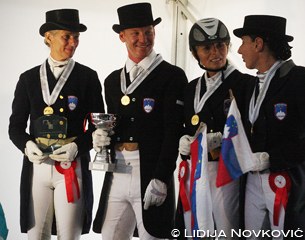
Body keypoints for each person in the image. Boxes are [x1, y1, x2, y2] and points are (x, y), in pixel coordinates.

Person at [92, 2, 188, 239]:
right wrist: (101, 137)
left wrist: (162, 176)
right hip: (117, 171)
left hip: (150, 171)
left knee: (152, 235)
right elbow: (114, 124)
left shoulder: (172, 75)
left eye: (149, 32)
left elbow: (173, 131)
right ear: (122, 36)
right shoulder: (112, 81)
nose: (143, 39)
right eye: (136, 33)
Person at [8, 9, 104, 239]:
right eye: (67, 36)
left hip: (71, 166)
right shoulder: (28, 78)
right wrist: (26, 145)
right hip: (38, 166)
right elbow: (15, 126)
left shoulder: (88, 77)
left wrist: (78, 147)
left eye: (76, 37)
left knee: (69, 235)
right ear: (48, 37)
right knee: (36, 235)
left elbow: (97, 126)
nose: (73, 43)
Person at [176, 18, 256, 239]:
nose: (215, 52)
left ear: (228, 46)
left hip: (226, 169)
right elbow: (184, 124)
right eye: (207, 48)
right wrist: (182, 139)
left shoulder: (244, 84)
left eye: (221, 45)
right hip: (196, 169)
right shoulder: (191, 88)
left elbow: (252, 129)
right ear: (195, 53)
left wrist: (225, 138)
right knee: (196, 228)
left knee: (226, 230)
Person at [234, 15, 305, 239]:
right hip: (252, 180)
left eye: (244, 42)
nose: (239, 50)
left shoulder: (299, 79)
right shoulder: (250, 85)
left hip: (286, 180)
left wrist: (272, 158)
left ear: (258, 44)